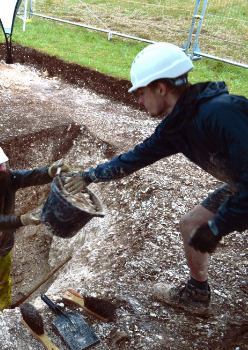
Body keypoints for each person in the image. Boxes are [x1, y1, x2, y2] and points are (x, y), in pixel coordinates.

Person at [64, 42, 248, 316]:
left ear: (161, 88)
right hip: (240, 185)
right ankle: (197, 294)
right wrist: (90, 176)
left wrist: (219, 227)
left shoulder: (220, 112)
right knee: (191, 225)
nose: (139, 101)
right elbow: (136, 157)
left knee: (207, 226)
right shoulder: (177, 126)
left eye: (141, 92)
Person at [0, 141, 71, 317]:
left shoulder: (6, 178)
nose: (2, 169)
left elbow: (28, 177)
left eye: (3, 164)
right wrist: (23, 220)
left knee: (0, 282)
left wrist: (49, 172)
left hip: (2, 243)